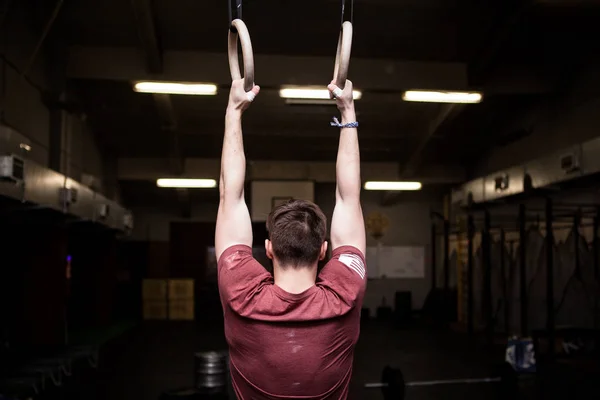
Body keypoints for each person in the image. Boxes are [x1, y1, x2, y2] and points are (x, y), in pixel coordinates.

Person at [215, 77, 366, 399]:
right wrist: (347, 110)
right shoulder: (345, 293)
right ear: (324, 250)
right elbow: (349, 198)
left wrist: (234, 110)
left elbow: (230, 196)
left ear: (268, 249)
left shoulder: (239, 292)